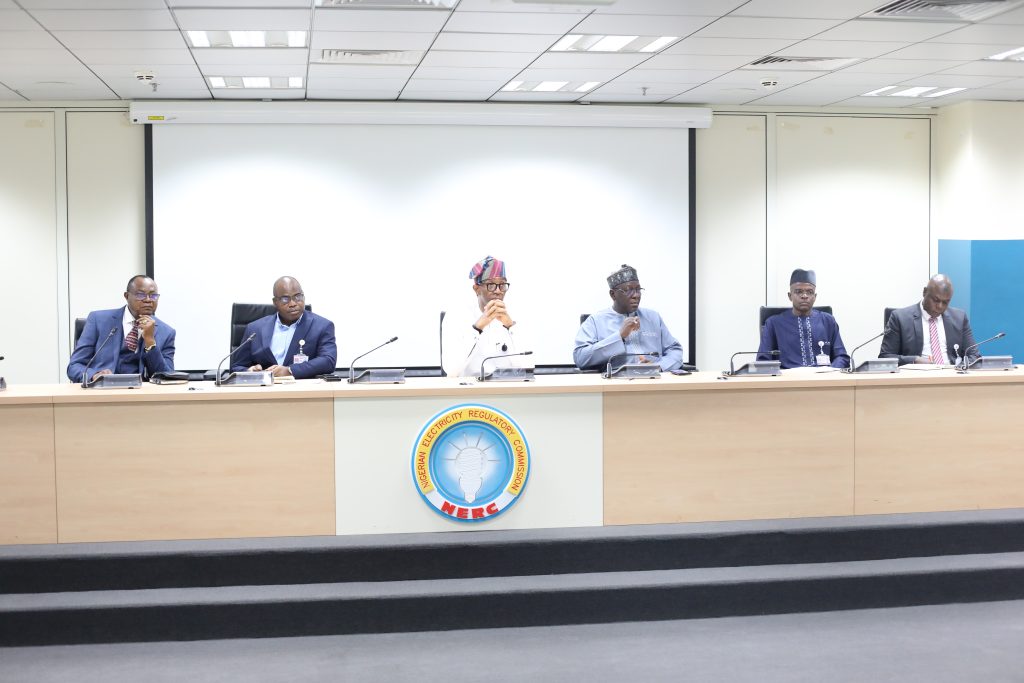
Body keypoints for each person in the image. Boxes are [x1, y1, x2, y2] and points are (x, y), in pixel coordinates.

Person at [574, 264, 683, 372]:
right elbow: (580, 358)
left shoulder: (653, 317)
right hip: (616, 380)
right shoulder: (595, 321)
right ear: (613, 294)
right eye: (628, 290)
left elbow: (675, 350)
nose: (636, 295)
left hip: (655, 378)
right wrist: (619, 336)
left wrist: (658, 366)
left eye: (638, 289)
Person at [67, 275, 176, 382]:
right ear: (127, 296)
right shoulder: (98, 320)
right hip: (104, 389)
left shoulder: (166, 332)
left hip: (140, 391)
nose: (148, 300)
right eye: (141, 295)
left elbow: (166, 376)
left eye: (153, 296)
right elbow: (74, 366)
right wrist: (94, 376)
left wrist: (150, 341)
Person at [442, 256, 531, 378]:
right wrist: (477, 328)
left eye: (502, 285)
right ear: (477, 289)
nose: (498, 291)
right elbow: (451, 370)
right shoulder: (457, 316)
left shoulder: (515, 315)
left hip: (507, 387)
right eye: (491, 285)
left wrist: (510, 327)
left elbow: (528, 366)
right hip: (469, 387)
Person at [231, 276, 337, 379]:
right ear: (275, 302)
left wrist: (289, 370)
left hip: (301, 387)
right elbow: (237, 367)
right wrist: (249, 371)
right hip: (264, 387)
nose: (293, 303)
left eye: (298, 296)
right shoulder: (255, 329)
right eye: (285, 299)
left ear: (303, 297)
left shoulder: (322, 326)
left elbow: (328, 361)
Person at [758, 269, 849, 369]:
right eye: (799, 292)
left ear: (815, 296)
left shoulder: (828, 321)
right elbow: (763, 361)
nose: (804, 296)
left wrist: (830, 371)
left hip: (822, 377)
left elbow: (842, 357)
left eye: (809, 292)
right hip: (788, 377)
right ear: (790, 296)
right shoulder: (773, 323)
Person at [880, 274, 978, 366]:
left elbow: (974, 356)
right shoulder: (900, 318)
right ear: (924, 292)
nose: (940, 306)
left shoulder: (959, 318)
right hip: (917, 376)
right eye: (936, 300)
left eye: (945, 302)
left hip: (951, 374)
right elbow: (885, 357)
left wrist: (959, 369)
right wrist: (914, 360)